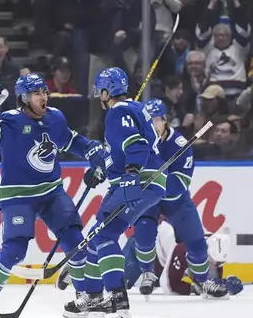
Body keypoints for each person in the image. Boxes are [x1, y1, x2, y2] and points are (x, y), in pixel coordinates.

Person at [0, 74, 106, 317]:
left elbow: (71, 141)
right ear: (24, 99)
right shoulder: (9, 121)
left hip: (51, 192)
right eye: (37, 93)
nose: (43, 97)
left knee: (76, 243)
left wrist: (91, 150)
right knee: (14, 250)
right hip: (18, 197)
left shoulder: (55, 117)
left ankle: (83, 298)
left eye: (44, 92)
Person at [64, 68, 166, 318]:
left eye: (100, 90)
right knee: (97, 235)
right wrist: (102, 169)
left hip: (138, 182)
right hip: (138, 182)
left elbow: (136, 145)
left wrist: (131, 173)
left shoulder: (118, 112)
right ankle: (93, 296)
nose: (98, 95)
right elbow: (120, 151)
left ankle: (116, 298)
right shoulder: (132, 110)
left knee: (104, 236)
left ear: (108, 91)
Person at [132, 98, 227, 298]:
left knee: (197, 241)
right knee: (143, 232)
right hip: (148, 196)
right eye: (148, 121)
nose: (152, 125)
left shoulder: (180, 145)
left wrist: (158, 179)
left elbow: (179, 184)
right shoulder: (138, 142)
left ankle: (202, 281)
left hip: (174, 198)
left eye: (156, 120)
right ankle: (148, 273)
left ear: (165, 121)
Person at [56, 221, 244, 297]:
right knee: (117, 282)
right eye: (212, 261)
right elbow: (169, 286)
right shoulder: (183, 249)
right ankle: (76, 273)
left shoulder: (212, 249)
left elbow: (209, 282)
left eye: (219, 264)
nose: (214, 265)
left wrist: (224, 286)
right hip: (143, 249)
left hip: (162, 258)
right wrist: (196, 288)